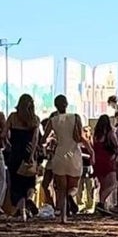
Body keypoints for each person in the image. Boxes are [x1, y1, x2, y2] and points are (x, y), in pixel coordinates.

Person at [48, 95, 84, 224]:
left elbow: (43, 139)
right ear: (67, 104)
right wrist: (91, 151)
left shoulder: (53, 120)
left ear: (55, 105)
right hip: (72, 153)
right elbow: (80, 137)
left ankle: (63, 217)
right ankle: (71, 195)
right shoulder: (75, 117)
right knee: (73, 185)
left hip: (60, 154)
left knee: (61, 188)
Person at [5, 94, 40, 220]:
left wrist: (8, 146)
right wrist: (31, 155)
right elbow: (35, 139)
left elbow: (4, 135)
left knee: (16, 186)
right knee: (30, 182)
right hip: (28, 153)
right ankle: (30, 199)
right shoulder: (35, 119)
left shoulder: (13, 117)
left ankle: (23, 210)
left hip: (15, 154)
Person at [90, 114, 118, 214]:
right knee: (113, 183)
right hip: (108, 160)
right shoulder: (110, 133)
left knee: (103, 185)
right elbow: (116, 146)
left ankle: (102, 206)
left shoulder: (96, 135)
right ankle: (101, 203)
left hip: (97, 161)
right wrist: (115, 155)